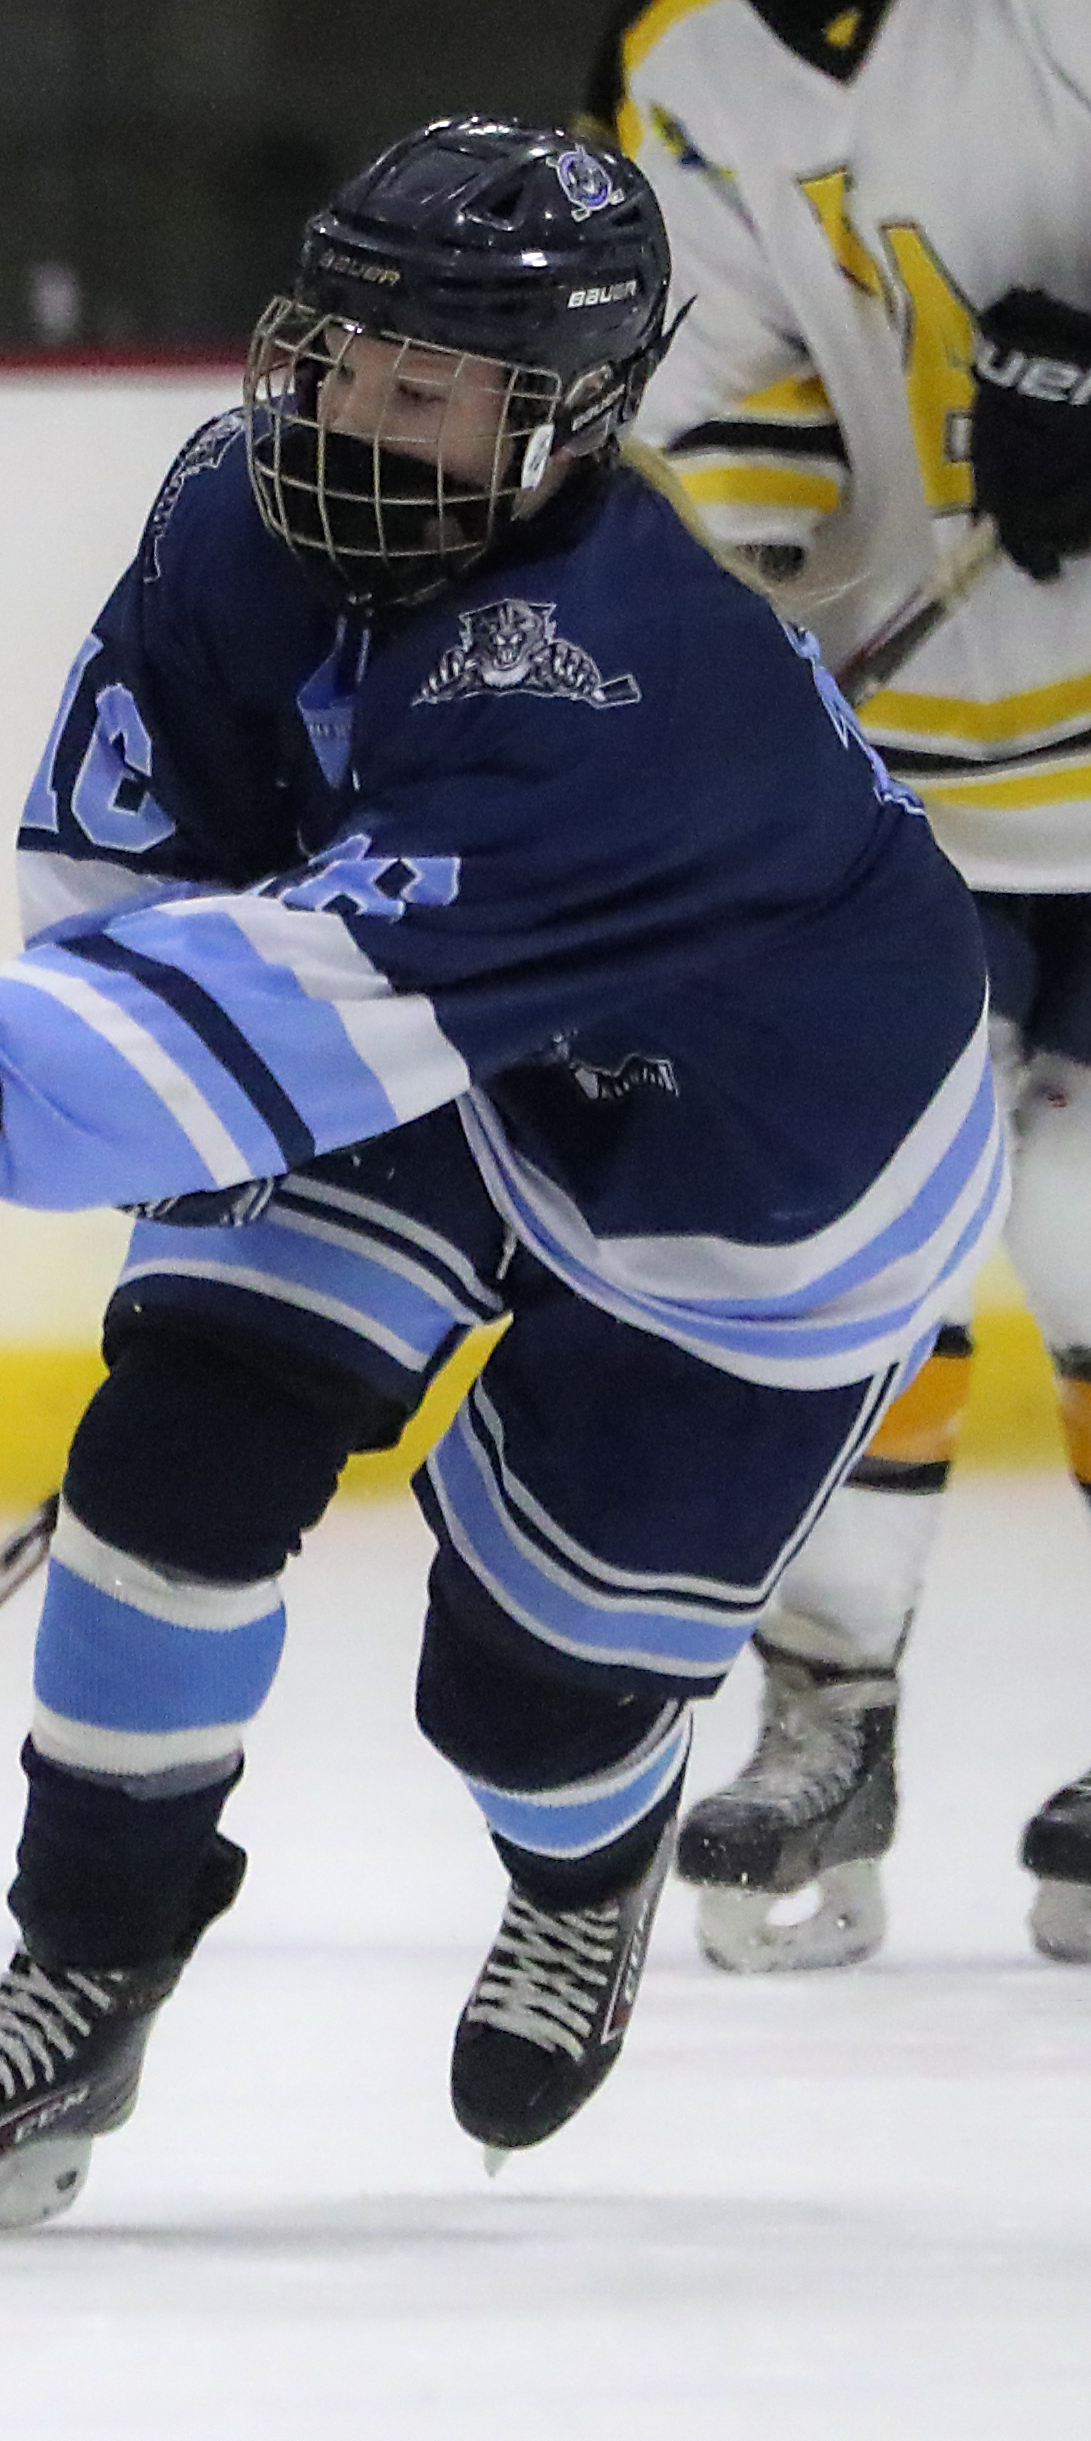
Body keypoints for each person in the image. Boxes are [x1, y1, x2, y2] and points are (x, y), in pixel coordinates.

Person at [0, 119, 999, 2235]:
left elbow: (294, 996)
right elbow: (140, 880)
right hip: (421, 1034)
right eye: (339, 355)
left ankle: (583, 1859)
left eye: (432, 384)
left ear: (572, 413)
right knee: (174, 1451)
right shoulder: (223, 513)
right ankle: (80, 1973)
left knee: (517, 1697)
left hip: (748, 1178)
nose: (356, 416)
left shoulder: (616, 687)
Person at [593, 0, 1091, 1973]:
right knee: (841, 1240)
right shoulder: (688, 57)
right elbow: (716, 399)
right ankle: (826, 1720)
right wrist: (752, 661)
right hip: (919, 788)